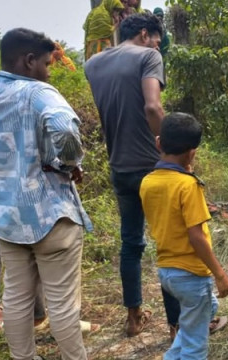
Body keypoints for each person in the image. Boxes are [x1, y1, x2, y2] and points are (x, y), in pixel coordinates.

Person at [0, 28, 92, 359]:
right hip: (49, 214)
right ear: (29, 61)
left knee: (16, 296)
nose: (47, 71)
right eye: (46, 63)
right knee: (61, 302)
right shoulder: (37, 92)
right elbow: (63, 128)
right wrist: (69, 162)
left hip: (3, 216)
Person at [85, 13, 170, 337]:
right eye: (158, 40)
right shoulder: (149, 56)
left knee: (131, 243)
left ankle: (134, 317)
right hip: (153, 164)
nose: (158, 46)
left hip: (119, 166)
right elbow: (152, 107)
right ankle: (178, 326)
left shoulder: (93, 63)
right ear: (146, 34)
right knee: (169, 242)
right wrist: (171, 149)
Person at [140, 112, 228, 359]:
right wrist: (220, 275)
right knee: (195, 346)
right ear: (192, 152)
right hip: (191, 273)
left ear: (159, 143)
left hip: (167, 272)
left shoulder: (147, 182)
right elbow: (196, 236)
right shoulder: (188, 185)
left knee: (202, 312)